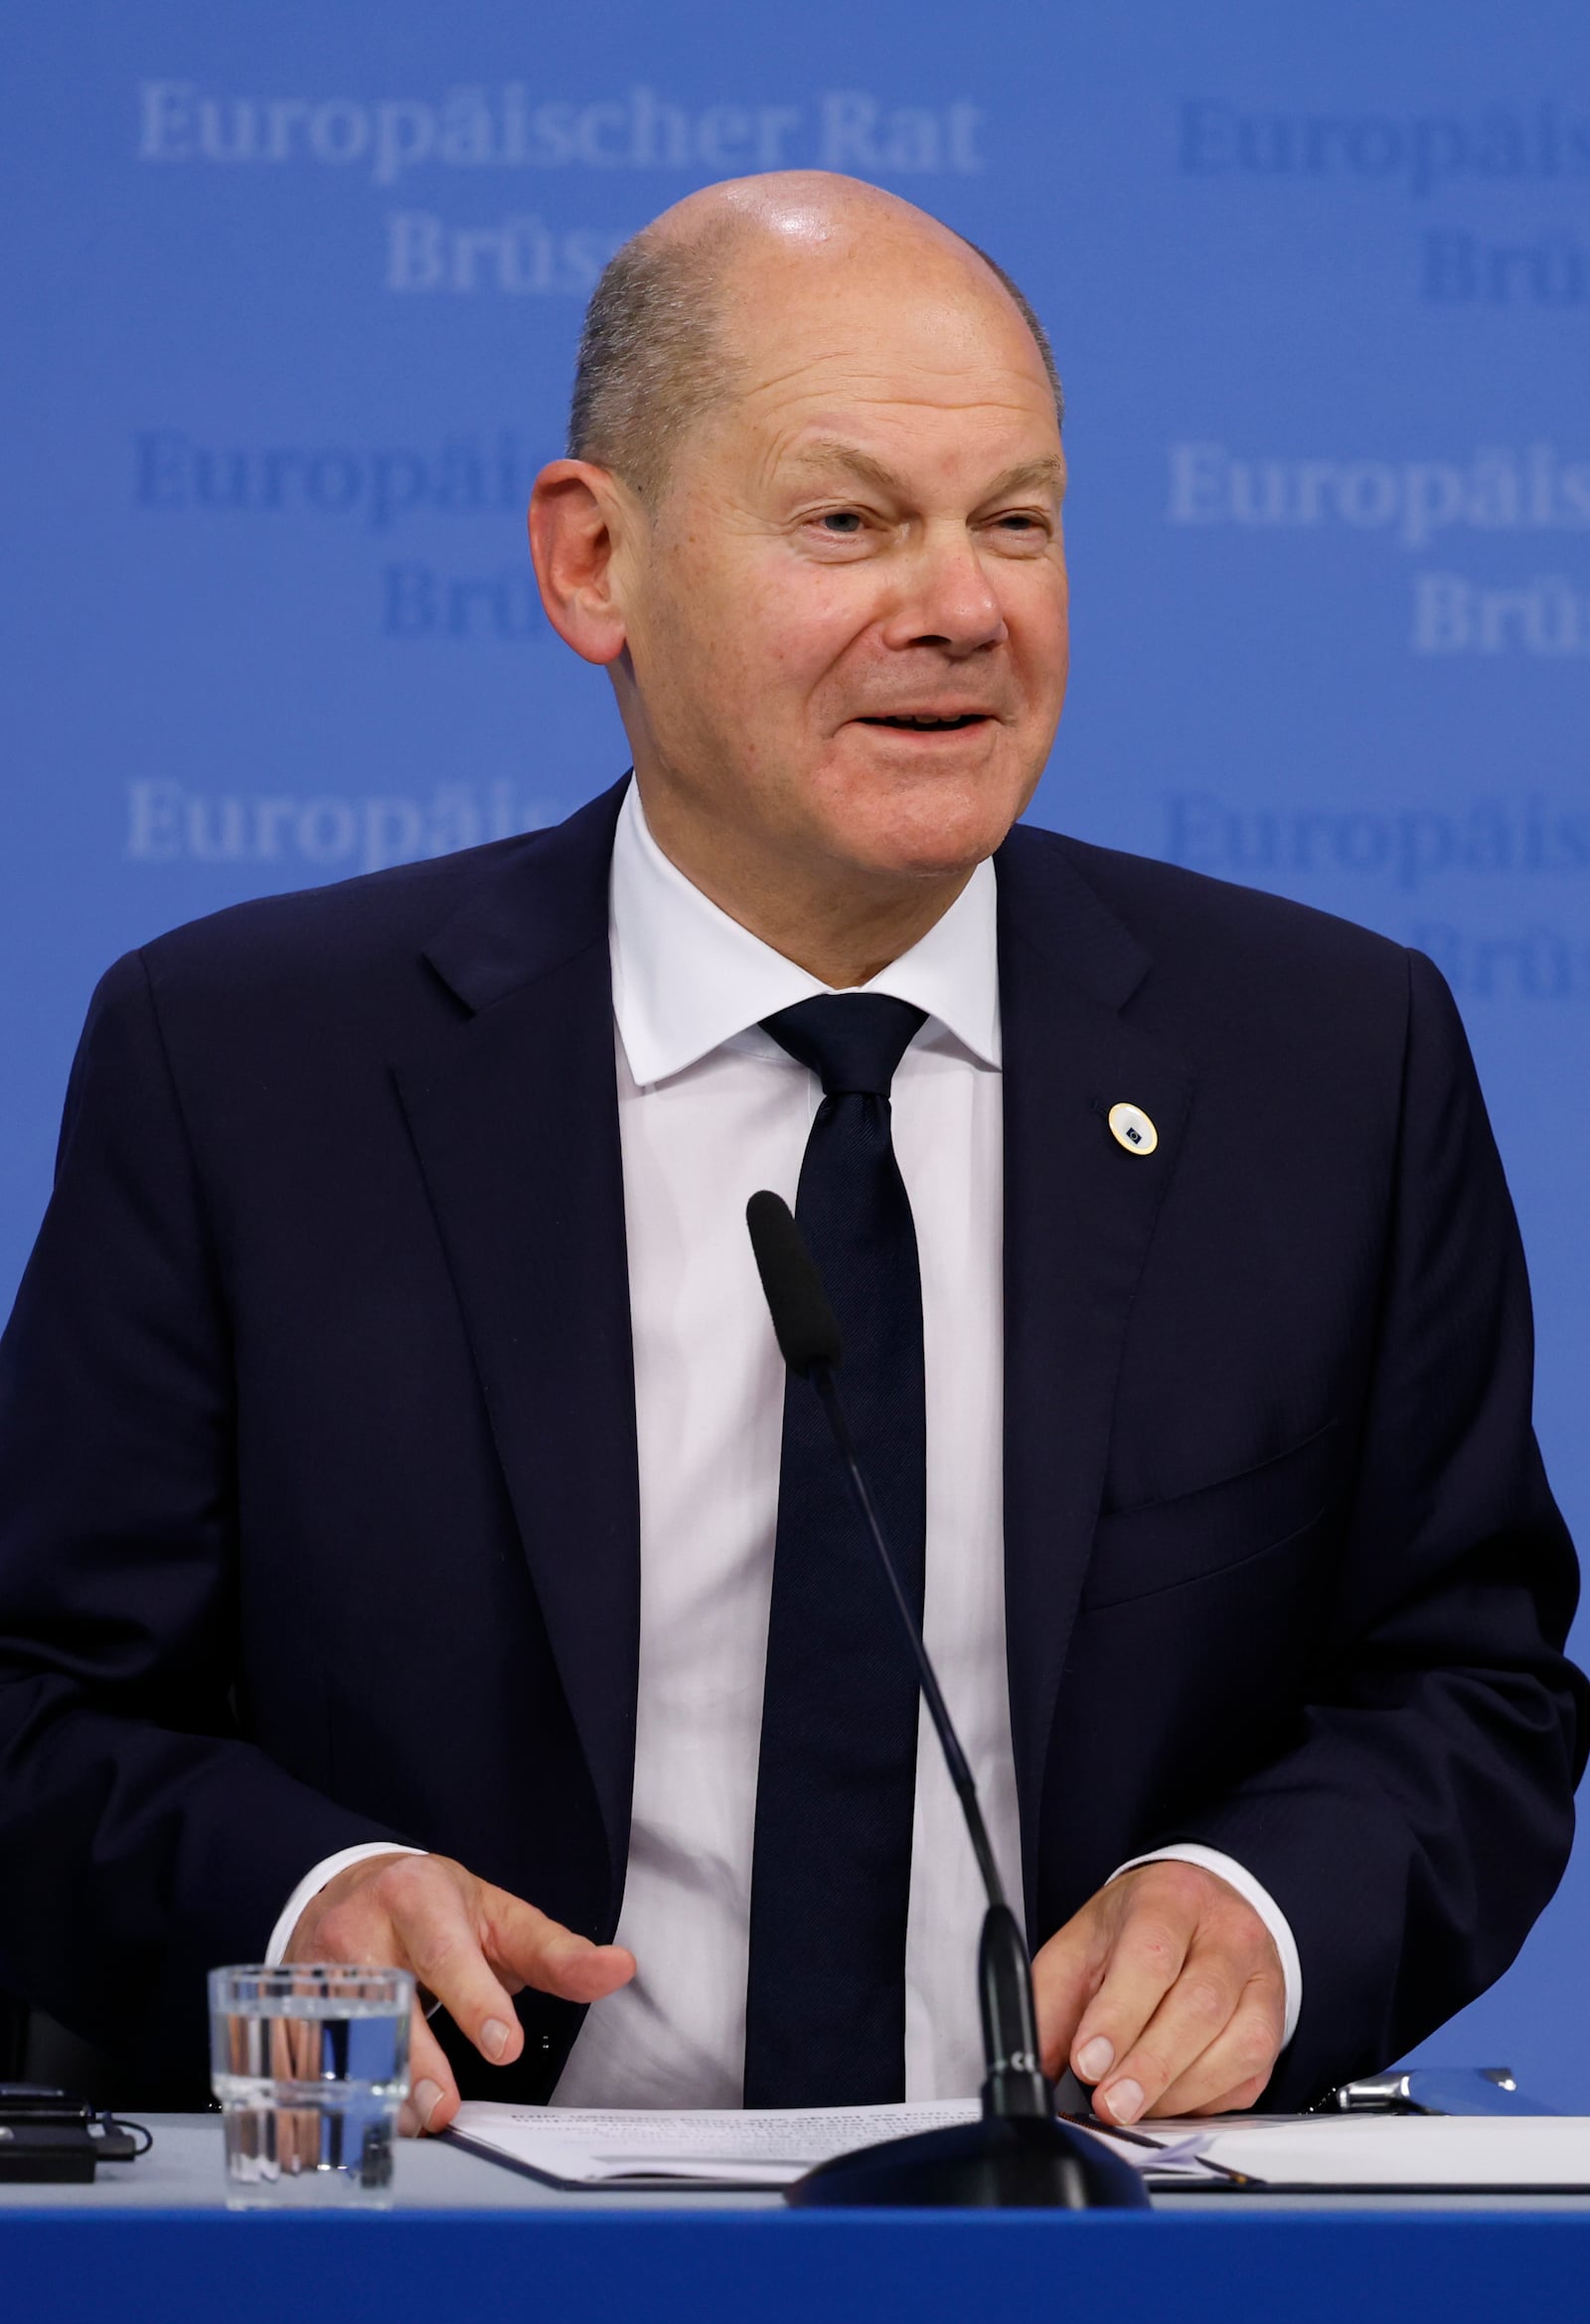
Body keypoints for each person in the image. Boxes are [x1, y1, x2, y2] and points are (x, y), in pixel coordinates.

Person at [0, 173, 1581, 2137]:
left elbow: (1467, 1685)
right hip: (454, 2245)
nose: (960, 605)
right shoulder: (248, 1064)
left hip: (1097, 2252)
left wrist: (1254, 1904)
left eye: (1016, 521)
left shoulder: (1325, 1060)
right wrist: (306, 1895)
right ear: (594, 566)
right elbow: (44, 1704)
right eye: (850, 522)